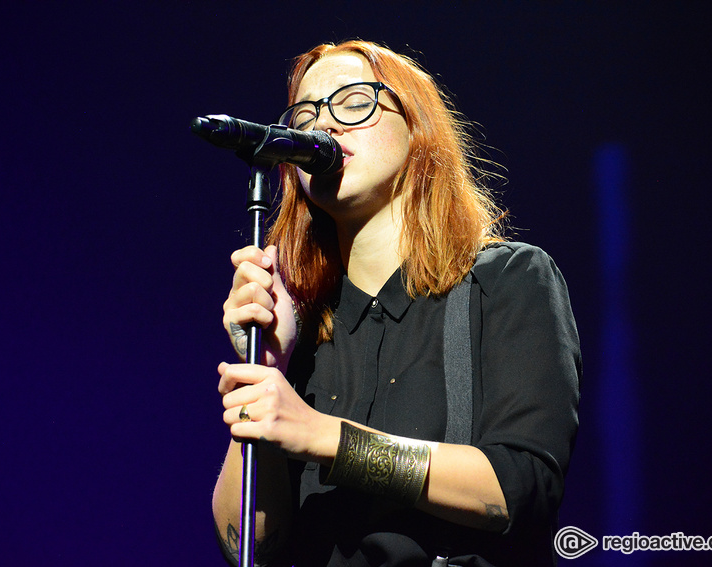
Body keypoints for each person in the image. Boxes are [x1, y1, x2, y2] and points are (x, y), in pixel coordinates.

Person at [212, 40, 581, 567]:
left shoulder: (507, 280)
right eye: (306, 113)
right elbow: (246, 546)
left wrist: (323, 436)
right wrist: (268, 369)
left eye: (354, 101)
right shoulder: (301, 326)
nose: (324, 127)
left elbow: (518, 488)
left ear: (418, 128)